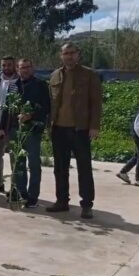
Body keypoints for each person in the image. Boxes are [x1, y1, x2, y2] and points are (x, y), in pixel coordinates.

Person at [47, 43, 102, 219]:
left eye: (72, 53)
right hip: (59, 129)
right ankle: (62, 201)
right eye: (66, 53)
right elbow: (51, 103)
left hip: (81, 129)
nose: (69, 56)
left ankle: (87, 205)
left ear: (78, 55)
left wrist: (94, 126)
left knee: (84, 168)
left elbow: (96, 102)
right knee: (60, 168)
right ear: (61, 55)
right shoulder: (55, 75)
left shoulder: (89, 74)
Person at [0, 59, 50, 208]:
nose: (25, 70)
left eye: (27, 67)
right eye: (22, 68)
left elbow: (46, 107)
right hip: (15, 130)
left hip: (32, 130)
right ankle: (21, 193)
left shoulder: (40, 85)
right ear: (17, 69)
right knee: (18, 164)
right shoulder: (13, 85)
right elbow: (7, 107)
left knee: (34, 164)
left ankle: (33, 196)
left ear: (32, 68)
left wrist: (31, 115)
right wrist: (2, 127)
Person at [0, 55, 20, 192]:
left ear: (14, 66)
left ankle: (16, 188)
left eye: (9, 65)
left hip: (12, 126)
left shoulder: (20, 82)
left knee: (15, 158)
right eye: (3, 65)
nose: (6, 68)